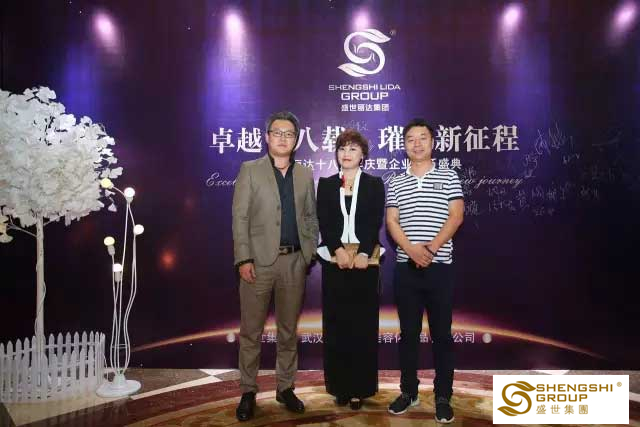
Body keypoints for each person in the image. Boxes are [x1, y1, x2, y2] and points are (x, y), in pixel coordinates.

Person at [232, 111, 319, 422]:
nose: (283, 138)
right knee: (251, 331)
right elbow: (240, 217)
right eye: (278, 133)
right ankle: (248, 391)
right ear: (267, 137)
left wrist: (308, 252)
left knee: (288, 331)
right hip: (257, 263)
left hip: (294, 262)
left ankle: (285, 387)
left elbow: (310, 216)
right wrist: (243, 258)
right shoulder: (250, 170)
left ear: (296, 140)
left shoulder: (305, 173)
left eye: (289, 134)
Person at [385, 118, 464, 423]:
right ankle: (409, 391)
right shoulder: (396, 182)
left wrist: (430, 249)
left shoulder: (449, 176)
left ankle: (443, 395)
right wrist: (412, 250)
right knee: (408, 334)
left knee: (442, 335)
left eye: (422, 138)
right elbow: (392, 221)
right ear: (404, 144)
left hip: (440, 267)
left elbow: (456, 216)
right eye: (410, 139)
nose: (416, 144)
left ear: (433, 143)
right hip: (406, 268)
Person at [316, 129, 385, 410]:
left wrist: (364, 252)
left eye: (353, 148)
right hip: (336, 261)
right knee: (337, 326)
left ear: (363, 155)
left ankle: (360, 388)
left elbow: (374, 220)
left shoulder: (374, 184)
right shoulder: (326, 184)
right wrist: (338, 250)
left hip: (365, 263)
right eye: (342, 148)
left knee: (362, 326)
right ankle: (340, 387)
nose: (347, 153)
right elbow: (324, 220)